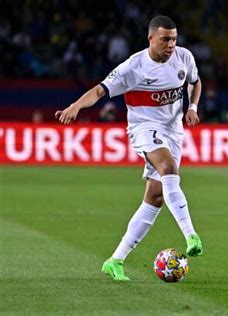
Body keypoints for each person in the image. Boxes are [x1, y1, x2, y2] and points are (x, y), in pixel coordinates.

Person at [55, 15, 203, 281]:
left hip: (174, 130)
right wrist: (76, 106)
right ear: (150, 39)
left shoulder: (184, 57)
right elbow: (100, 91)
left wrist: (192, 108)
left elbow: (195, 81)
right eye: (165, 39)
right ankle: (190, 234)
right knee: (168, 167)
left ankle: (115, 260)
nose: (171, 44)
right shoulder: (133, 67)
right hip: (144, 127)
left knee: (156, 196)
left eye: (174, 39)